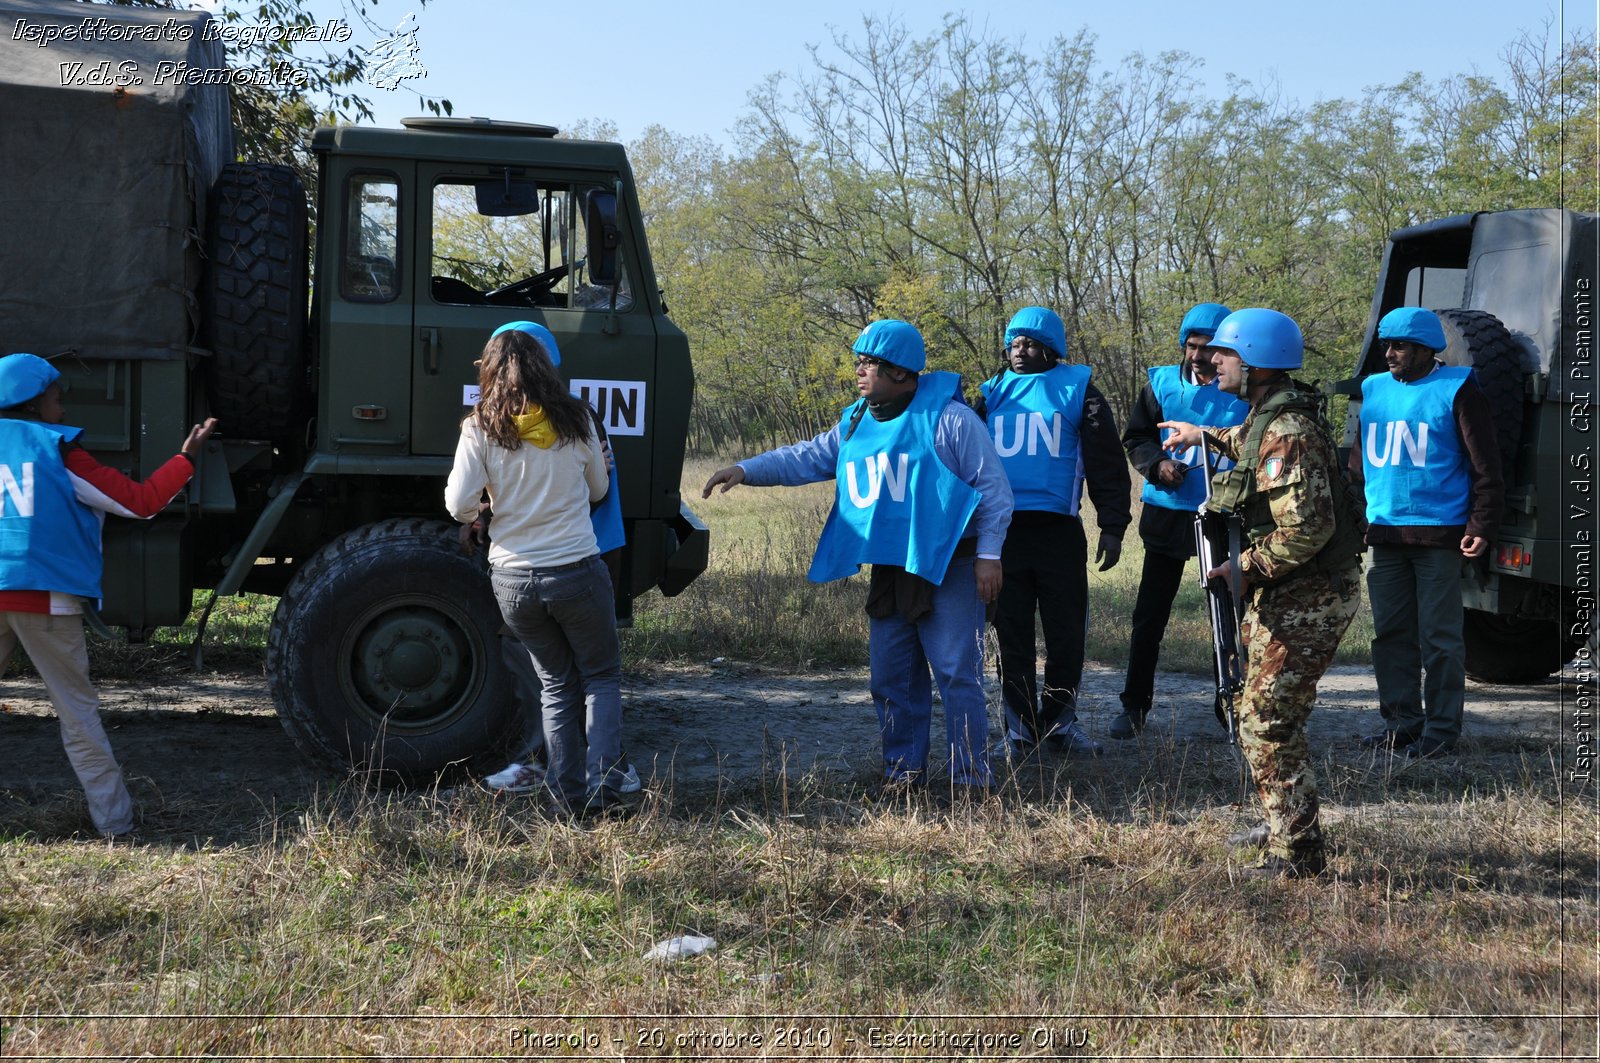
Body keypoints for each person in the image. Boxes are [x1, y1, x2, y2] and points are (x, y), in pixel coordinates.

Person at [702, 319, 1012, 792]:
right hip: (891, 567)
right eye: (859, 362)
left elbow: (993, 491)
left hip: (951, 563)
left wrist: (990, 555)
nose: (860, 372)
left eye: (871, 364)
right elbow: (806, 457)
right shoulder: (856, 420)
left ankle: (971, 779)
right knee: (891, 676)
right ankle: (903, 773)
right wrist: (746, 468)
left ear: (903, 373)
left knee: (956, 674)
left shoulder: (952, 420)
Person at [1159, 309, 1365, 878]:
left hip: (1311, 595)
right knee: (1254, 711)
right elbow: (1250, 451)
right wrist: (1205, 436)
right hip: (1286, 592)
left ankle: (1297, 852)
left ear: (1253, 363)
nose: (1210, 359)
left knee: (1267, 719)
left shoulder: (1287, 432)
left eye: (1223, 353)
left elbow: (1306, 529)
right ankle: (1284, 821)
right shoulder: (1267, 418)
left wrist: (1239, 566)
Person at [0, 352, 216, 839]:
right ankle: (116, 826)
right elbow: (139, 504)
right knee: (78, 718)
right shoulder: (57, 449)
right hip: (45, 599)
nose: (63, 405)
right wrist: (187, 458)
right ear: (32, 403)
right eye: (56, 396)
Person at [444, 327, 628, 819]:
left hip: (514, 580)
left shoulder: (480, 425)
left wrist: (481, 509)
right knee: (601, 678)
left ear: (489, 369)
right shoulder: (579, 418)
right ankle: (606, 790)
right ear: (547, 367)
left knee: (555, 685)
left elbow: (457, 502)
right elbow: (596, 491)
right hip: (577, 571)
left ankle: (567, 802)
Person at [975, 307, 1130, 757]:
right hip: (1002, 533)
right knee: (1011, 634)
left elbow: (1106, 463)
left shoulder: (1080, 391)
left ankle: (1061, 723)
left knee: (1066, 634)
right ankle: (1020, 730)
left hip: (1059, 533)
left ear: (1052, 348)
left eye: (1029, 343)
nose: (1019, 351)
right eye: (1013, 343)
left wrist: (1113, 525)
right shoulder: (991, 393)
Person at [1352, 307, 1503, 759]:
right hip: (1386, 536)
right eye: (1386, 345)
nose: (1389, 353)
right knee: (1391, 637)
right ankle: (1401, 725)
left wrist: (1481, 523)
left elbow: (1486, 466)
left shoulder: (1457, 388)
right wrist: (1363, 518)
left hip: (1440, 537)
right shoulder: (1372, 389)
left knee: (1440, 638)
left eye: (1399, 346)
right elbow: (1357, 464)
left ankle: (1440, 732)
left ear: (1424, 349)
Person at [1113, 302, 1250, 739]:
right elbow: (1136, 436)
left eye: (1208, 347)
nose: (1198, 355)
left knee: (1227, 614)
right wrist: (1156, 466)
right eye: (1191, 346)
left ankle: (1231, 704)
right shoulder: (1160, 383)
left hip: (1223, 516)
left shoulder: (1243, 390)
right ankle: (1134, 706)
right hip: (1168, 514)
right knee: (1149, 616)